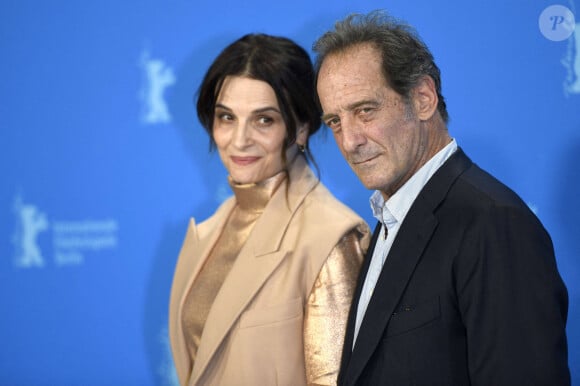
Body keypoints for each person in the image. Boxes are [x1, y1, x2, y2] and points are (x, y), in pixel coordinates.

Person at [313, 10, 570, 386]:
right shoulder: (391, 221)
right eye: (335, 122)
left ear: (423, 98)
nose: (349, 141)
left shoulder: (493, 224)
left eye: (365, 111)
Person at [168, 33, 370, 386]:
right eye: (226, 117)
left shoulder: (331, 238)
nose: (239, 139)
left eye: (264, 120)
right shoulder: (210, 231)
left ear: (303, 127)